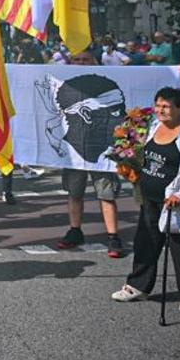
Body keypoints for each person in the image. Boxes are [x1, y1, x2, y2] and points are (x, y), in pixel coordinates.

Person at [111, 87, 180, 314]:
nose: (160, 110)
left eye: (166, 106)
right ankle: (137, 286)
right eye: (158, 105)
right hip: (150, 198)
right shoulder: (153, 127)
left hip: (178, 203)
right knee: (145, 243)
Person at [56, 51, 124, 258]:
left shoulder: (109, 76)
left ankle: (113, 236)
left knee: (106, 193)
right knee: (74, 192)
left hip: (101, 154)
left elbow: (148, 79)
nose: (81, 63)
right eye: (77, 59)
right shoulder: (60, 78)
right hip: (75, 152)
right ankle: (75, 230)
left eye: (86, 59)